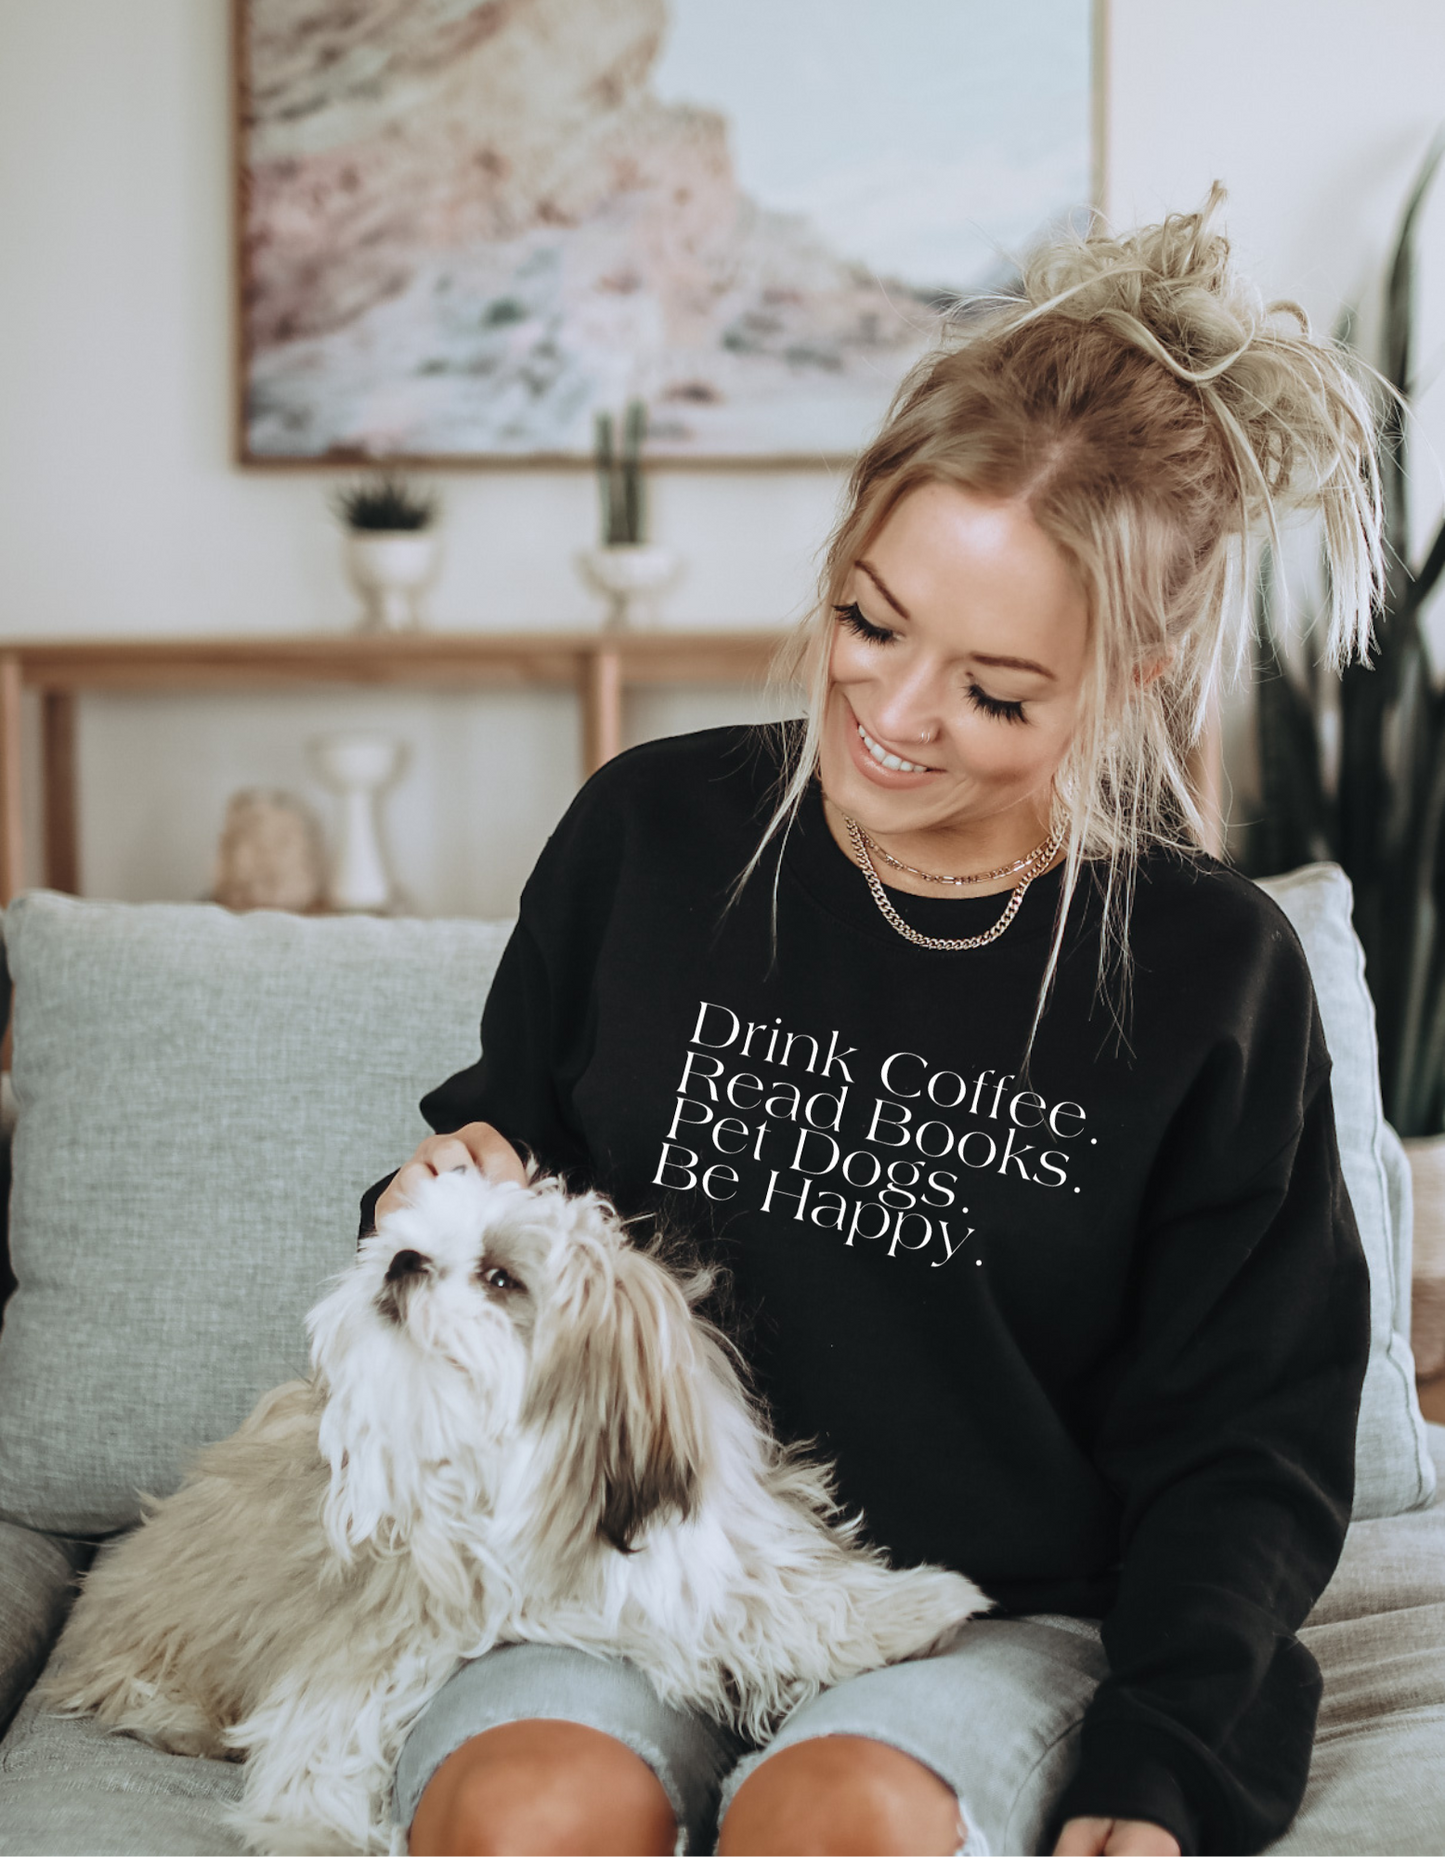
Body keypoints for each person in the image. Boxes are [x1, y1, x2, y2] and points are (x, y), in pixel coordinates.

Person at [365, 191, 1380, 1857]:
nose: (897, 721)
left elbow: (1246, 1439)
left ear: (1134, 682)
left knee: (833, 1823)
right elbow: (499, 1171)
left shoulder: (1210, 975)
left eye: (994, 693)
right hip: (623, 1577)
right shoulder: (652, 836)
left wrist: (1164, 1769)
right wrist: (425, 1202)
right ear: (841, 553)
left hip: (987, 1616)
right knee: (530, 1812)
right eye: (868, 624)